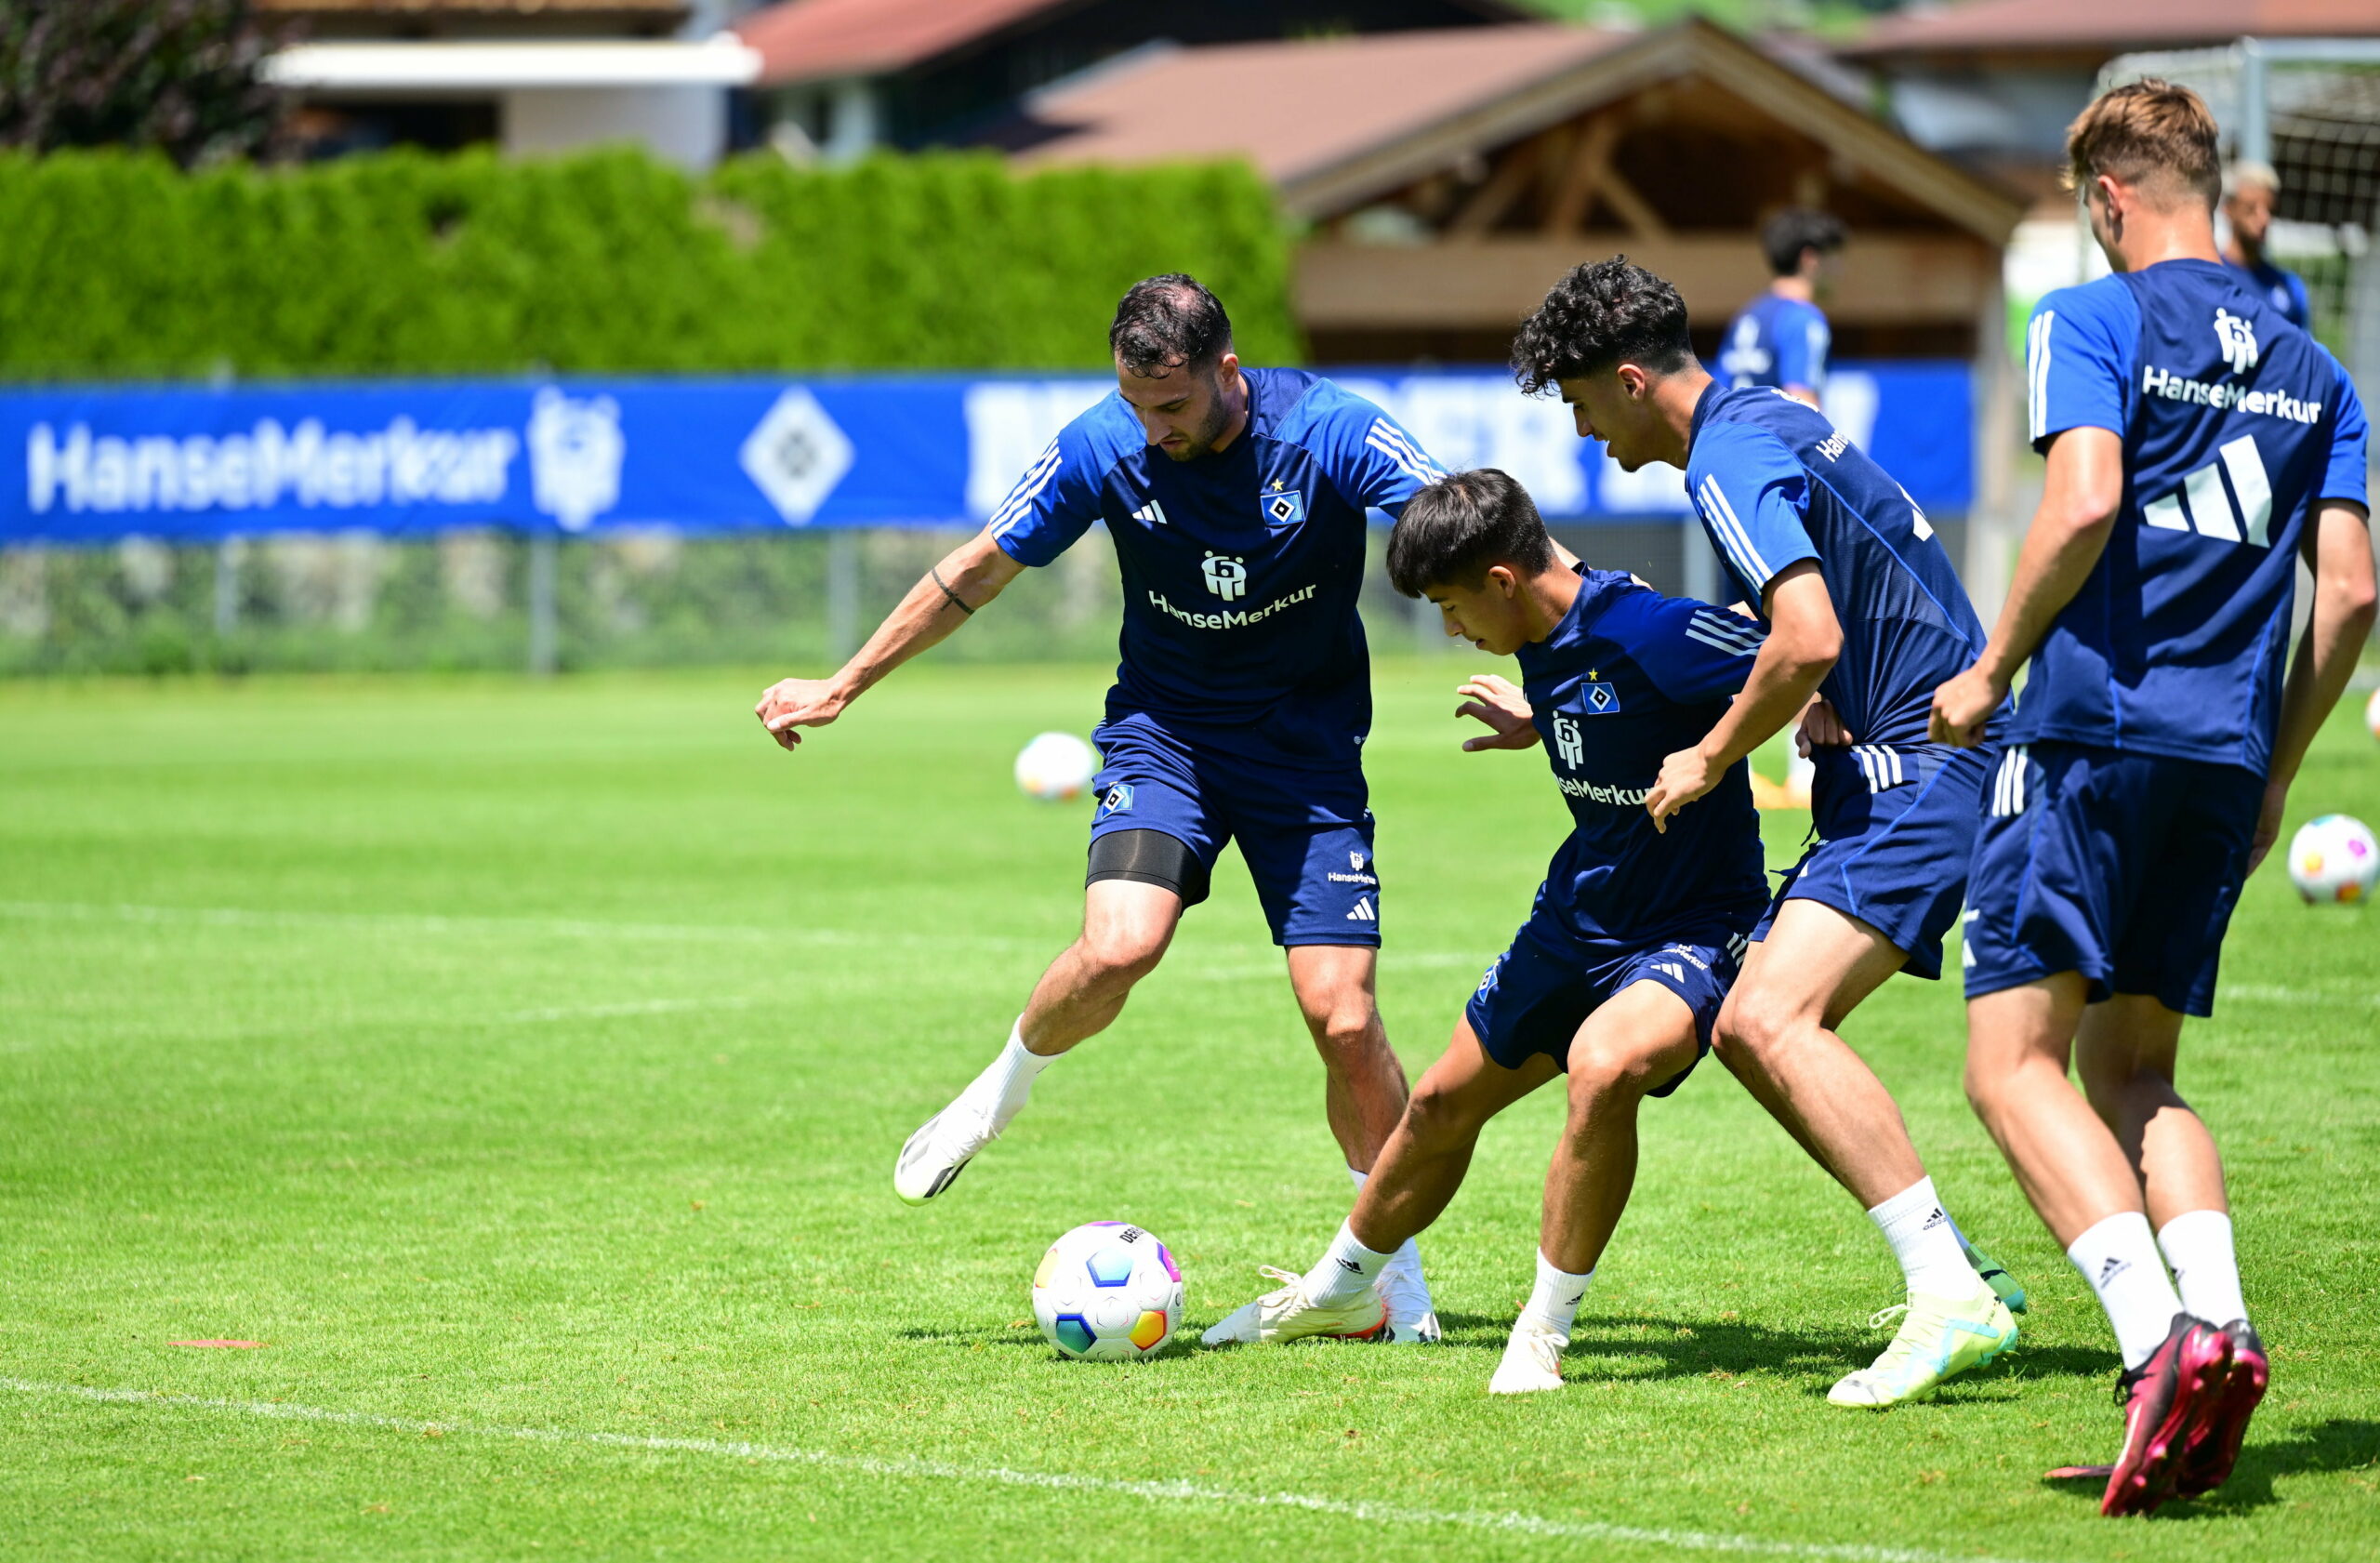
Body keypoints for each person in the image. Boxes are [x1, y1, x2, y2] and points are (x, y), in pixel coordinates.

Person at [753, 274, 1450, 1340]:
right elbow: (978, 568)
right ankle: (1002, 1090)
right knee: (1120, 946)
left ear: (1228, 370)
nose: (1152, 431)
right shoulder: (1099, 446)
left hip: (1306, 760)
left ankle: (1386, 1269)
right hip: (1165, 737)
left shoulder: (1329, 431)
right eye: (1135, 406)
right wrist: (845, 681)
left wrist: (1577, 649)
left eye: (1170, 407)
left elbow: (1467, 521)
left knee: (1344, 1019)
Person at [1932, 81, 2372, 1517]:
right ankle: (2226, 1328)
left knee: (2012, 1061)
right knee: (2139, 1069)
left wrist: (1992, 662)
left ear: (2110, 197)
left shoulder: (2096, 320)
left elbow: (2084, 499)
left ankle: (2157, 1339)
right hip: (2225, 758)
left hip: (2091, 738)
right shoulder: (2322, 369)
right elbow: (2353, 591)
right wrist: (2279, 764)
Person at [1512, 257, 2024, 1409]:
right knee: (1765, 1028)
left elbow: (1802, 638)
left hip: (1918, 762)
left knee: (1765, 1016)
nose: (1589, 436)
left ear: (1633, 381)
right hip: (1899, 760)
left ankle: (1949, 1288)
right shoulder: (1771, 420)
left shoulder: (1727, 457)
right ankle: (1956, 1267)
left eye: (1586, 406)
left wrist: (1706, 755)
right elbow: (1808, 615)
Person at [1201, 468, 1773, 1395]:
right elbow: (1602, 703)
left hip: (1694, 923)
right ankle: (1339, 1289)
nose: (1451, 629)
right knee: (1434, 1106)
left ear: (1503, 581)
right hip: (1577, 914)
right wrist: (1542, 719)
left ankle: (1542, 1332)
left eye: (1452, 606)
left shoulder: (1652, 629)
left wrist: (1759, 748)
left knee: (1603, 1067)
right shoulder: (1541, 637)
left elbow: (1790, 654)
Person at [1718, 209, 1844, 409]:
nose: (1839, 270)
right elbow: (1803, 405)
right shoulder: (1803, 320)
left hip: (1734, 435)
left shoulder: (1746, 316)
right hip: (1773, 438)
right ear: (1810, 259)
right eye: (1832, 259)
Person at [2220, 161, 2313, 332]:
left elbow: (2304, 351)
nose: (2263, 219)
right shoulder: (2210, 276)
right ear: (2228, 209)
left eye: (2269, 210)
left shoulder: (2289, 286)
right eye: (2251, 209)